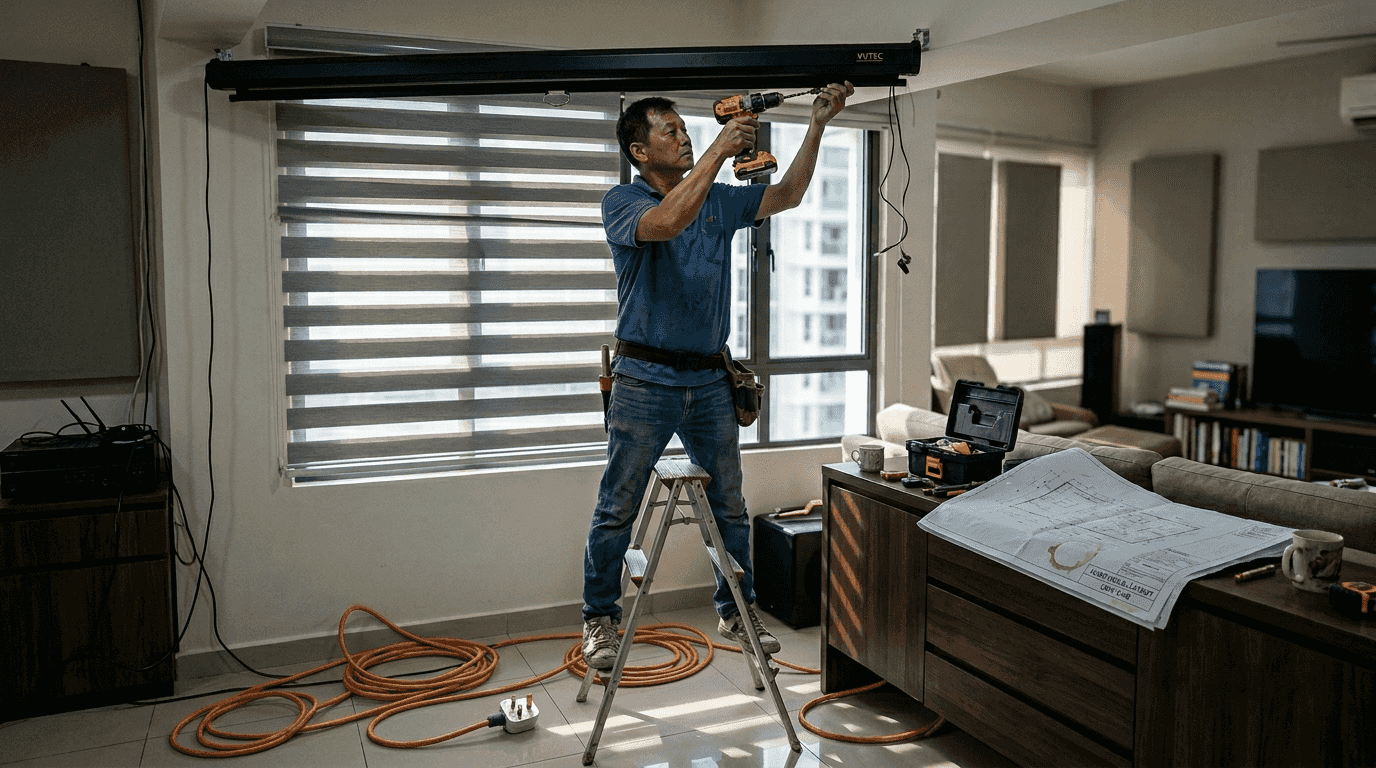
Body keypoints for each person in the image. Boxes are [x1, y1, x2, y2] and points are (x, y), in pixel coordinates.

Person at [582, 82, 855, 670]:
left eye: (686, 129)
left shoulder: (719, 200)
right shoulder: (622, 203)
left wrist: (817, 125)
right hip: (643, 381)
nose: (684, 137)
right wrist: (715, 153)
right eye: (671, 132)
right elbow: (666, 223)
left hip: (709, 381)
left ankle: (736, 609)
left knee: (729, 505)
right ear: (640, 151)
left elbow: (786, 194)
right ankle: (599, 619)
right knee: (616, 508)